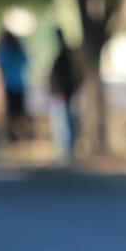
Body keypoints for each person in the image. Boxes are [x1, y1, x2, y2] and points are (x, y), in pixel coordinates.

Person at [48, 28, 80, 163]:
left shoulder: (65, 57)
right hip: (61, 94)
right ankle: (64, 150)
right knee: (62, 123)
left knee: (63, 125)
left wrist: (62, 91)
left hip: (63, 94)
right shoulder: (64, 56)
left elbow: (66, 77)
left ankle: (66, 150)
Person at [0, 28, 29, 142]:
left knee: (13, 113)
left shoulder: (5, 51)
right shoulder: (16, 50)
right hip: (17, 85)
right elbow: (25, 62)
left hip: (11, 86)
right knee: (18, 113)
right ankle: (17, 134)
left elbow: (0, 65)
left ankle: (15, 136)